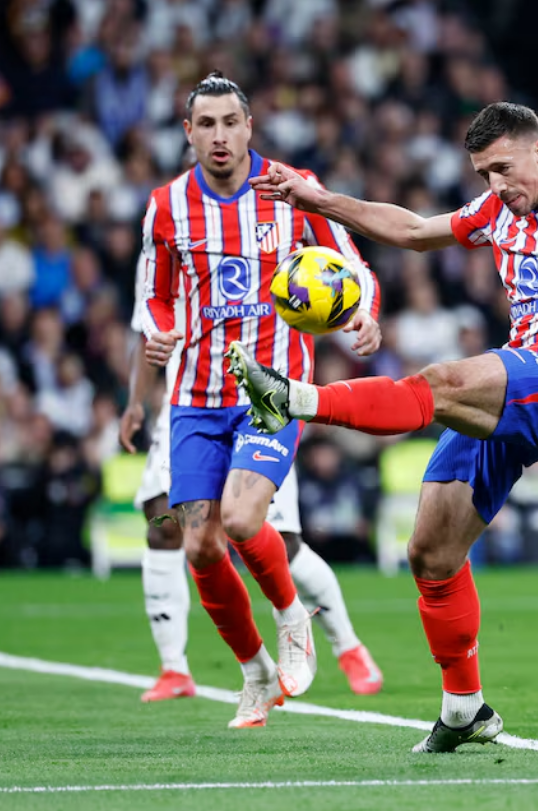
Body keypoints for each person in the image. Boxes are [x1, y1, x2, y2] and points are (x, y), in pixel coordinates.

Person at [229, 101, 538, 752]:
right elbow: (410, 230)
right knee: (431, 552)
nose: (495, 185)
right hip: (515, 392)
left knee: (440, 381)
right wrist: (318, 201)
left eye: (503, 168)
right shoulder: (496, 211)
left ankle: (296, 400)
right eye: (483, 173)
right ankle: (465, 707)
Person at [136, 72, 383, 728]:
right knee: (200, 547)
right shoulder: (165, 207)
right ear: (189, 133)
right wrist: (161, 323)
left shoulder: (290, 186)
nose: (220, 136)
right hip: (193, 395)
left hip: (267, 390)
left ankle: (292, 617)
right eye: (206, 124)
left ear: (250, 126)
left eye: (230, 122)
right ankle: (254, 671)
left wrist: (366, 312)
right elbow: (156, 292)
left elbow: (353, 264)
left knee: (246, 521)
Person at [119, 332, 384, 702]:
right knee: (165, 527)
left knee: (280, 543)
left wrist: (361, 313)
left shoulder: (275, 274)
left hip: (259, 398)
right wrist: (135, 402)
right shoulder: (164, 274)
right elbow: (145, 332)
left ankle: (348, 646)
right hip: (189, 404)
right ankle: (175, 668)